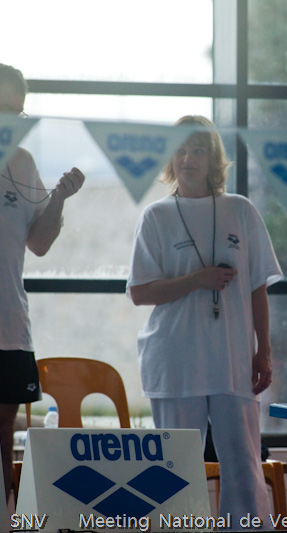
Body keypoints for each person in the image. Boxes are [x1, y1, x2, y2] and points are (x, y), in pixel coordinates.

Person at [127, 115, 283, 524]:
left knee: (244, 469)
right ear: (170, 158)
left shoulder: (240, 210)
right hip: (175, 359)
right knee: (175, 471)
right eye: (181, 150)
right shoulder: (156, 216)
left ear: (213, 158)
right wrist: (197, 280)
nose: (188, 159)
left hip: (232, 359)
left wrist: (263, 351)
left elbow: (257, 286)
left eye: (198, 150)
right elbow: (140, 292)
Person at [0, 64, 85, 504]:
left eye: (15, 111)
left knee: (3, 432)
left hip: (10, 327)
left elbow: (39, 243)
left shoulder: (21, 162)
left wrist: (58, 199)